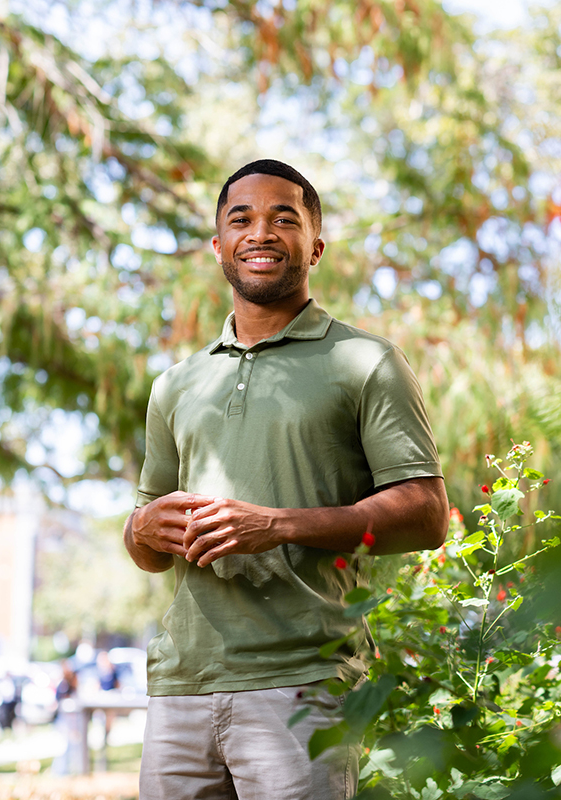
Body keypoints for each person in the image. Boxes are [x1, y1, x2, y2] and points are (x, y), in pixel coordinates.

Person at [124, 159, 448, 799]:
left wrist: (276, 526)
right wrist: (141, 528)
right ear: (219, 245)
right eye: (240, 219)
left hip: (303, 681)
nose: (260, 233)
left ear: (315, 246)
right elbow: (148, 551)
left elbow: (427, 513)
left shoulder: (364, 361)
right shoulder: (176, 385)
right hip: (181, 686)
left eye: (284, 218)